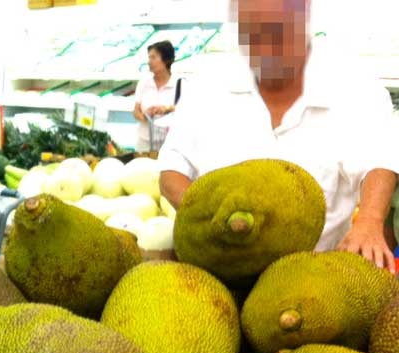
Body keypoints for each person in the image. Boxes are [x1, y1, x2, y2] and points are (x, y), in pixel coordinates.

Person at [159, 0, 398, 271]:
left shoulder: (353, 85)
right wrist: (213, 220)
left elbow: (379, 159)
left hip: (316, 274)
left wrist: (369, 219)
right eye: (254, 31)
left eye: (278, 30)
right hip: (221, 269)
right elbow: (172, 168)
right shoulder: (208, 84)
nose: (267, 46)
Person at [133, 41, 179, 152]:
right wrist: (145, 116)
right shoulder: (144, 82)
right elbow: (136, 111)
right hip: (144, 143)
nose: (149, 62)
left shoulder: (178, 84)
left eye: (153, 57)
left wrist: (165, 109)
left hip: (170, 143)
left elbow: (185, 109)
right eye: (149, 58)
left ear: (166, 60)